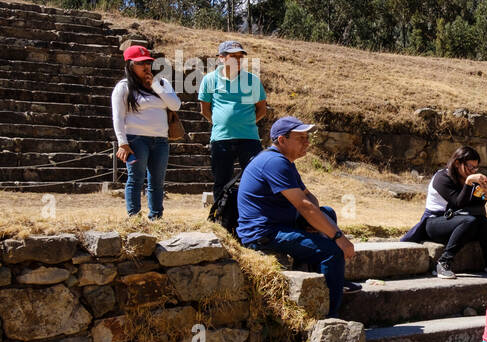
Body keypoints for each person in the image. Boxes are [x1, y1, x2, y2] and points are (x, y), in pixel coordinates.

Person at [236, 117, 356, 318]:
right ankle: (329, 317)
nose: (307, 142)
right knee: (333, 251)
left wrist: (311, 221)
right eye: (301, 138)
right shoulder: (275, 162)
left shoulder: (285, 161)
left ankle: (331, 277)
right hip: (264, 234)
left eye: (307, 137)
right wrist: (339, 238)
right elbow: (303, 205)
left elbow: (310, 198)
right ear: (282, 140)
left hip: (280, 222)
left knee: (327, 213)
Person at [401, 146, 487, 278]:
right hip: (434, 223)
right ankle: (443, 262)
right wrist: (468, 182)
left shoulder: (469, 179)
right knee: (469, 221)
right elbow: (458, 203)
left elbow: (476, 207)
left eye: (475, 168)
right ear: (457, 163)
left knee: (484, 222)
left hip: (457, 222)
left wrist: (486, 194)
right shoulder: (442, 178)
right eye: (470, 167)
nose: (473, 171)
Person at [112, 45, 181, 220]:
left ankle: (156, 217)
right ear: (130, 65)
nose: (146, 67)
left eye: (148, 63)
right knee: (135, 179)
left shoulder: (162, 83)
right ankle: (134, 217)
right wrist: (123, 143)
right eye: (141, 63)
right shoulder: (124, 87)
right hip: (136, 139)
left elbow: (175, 105)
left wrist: (156, 85)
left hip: (160, 140)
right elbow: (118, 117)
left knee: (157, 181)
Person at [198, 40, 268, 196]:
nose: (237, 60)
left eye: (239, 56)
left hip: (249, 138)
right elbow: (205, 110)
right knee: (221, 181)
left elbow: (262, 110)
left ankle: (254, 216)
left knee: (256, 179)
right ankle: (221, 216)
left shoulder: (252, 80)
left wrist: (245, 123)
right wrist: (221, 124)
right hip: (221, 138)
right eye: (232, 56)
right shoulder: (209, 79)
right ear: (221, 58)